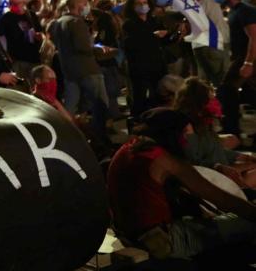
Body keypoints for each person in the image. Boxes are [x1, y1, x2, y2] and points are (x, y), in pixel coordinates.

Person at [107, 106, 256, 260]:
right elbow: (222, 199)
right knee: (245, 223)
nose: (185, 141)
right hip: (162, 242)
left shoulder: (128, 149)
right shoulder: (164, 160)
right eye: (183, 134)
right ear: (171, 133)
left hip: (128, 234)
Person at [49, 0, 112, 153]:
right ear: (79, 6)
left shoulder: (58, 22)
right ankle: (100, 139)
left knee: (70, 107)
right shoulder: (77, 22)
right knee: (100, 106)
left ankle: (67, 137)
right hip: (87, 69)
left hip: (69, 70)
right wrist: (99, 49)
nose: (87, 7)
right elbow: (83, 47)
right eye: (85, 4)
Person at [215, 0, 256, 137]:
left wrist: (248, 62)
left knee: (226, 90)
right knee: (248, 93)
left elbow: (253, 37)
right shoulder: (234, 11)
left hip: (246, 57)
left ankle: (232, 129)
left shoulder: (245, 11)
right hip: (241, 57)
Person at [0, 0, 43, 85]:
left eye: (22, 2)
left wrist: (40, 36)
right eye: (17, 3)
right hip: (18, 59)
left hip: (35, 57)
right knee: (22, 86)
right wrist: (7, 55)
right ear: (10, 4)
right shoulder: (6, 18)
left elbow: (40, 31)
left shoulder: (31, 15)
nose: (20, 6)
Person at [190, 0, 230, 88]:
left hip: (199, 46)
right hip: (214, 44)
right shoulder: (209, 2)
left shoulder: (191, 6)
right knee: (221, 78)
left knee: (204, 80)